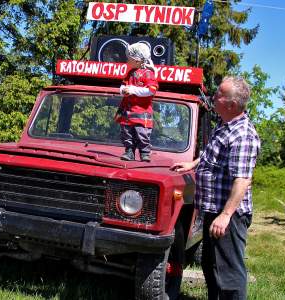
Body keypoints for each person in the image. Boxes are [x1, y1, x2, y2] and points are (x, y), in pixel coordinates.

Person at [171, 76, 260, 300]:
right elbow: (212, 154)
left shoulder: (243, 135)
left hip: (228, 216)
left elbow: (242, 180)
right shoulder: (224, 124)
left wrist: (226, 215)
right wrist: (192, 164)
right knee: (211, 266)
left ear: (231, 104)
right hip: (213, 210)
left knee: (229, 274)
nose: (214, 96)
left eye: (219, 94)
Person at [115, 42, 158, 162]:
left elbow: (151, 90)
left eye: (130, 58)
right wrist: (123, 91)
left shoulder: (149, 74)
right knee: (126, 133)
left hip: (142, 114)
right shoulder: (129, 73)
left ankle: (144, 153)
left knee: (142, 133)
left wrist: (133, 90)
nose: (127, 61)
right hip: (127, 113)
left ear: (138, 60)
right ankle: (129, 151)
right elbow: (122, 87)